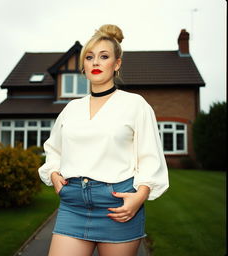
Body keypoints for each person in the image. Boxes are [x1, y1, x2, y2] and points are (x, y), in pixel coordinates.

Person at [38, 24, 169, 256]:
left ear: (117, 64)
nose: (96, 62)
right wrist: (53, 174)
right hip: (73, 205)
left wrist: (140, 196)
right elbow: (54, 148)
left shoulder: (135, 104)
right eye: (89, 57)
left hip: (117, 206)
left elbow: (150, 156)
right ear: (84, 66)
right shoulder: (71, 108)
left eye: (104, 56)